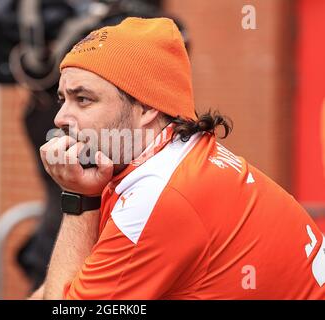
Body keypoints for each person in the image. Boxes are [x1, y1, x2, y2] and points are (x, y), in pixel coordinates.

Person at [32, 17, 325, 299]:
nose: (60, 118)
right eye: (63, 99)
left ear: (146, 107)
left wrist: (79, 198)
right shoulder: (165, 156)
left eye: (83, 99)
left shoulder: (161, 190)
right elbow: (70, 281)